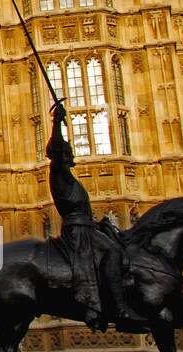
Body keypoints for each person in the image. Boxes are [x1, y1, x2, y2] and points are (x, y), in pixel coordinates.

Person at [47, 101, 133, 331]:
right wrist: (56, 123)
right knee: (113, 252)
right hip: (78, 232)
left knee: (118, 245)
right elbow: (55, 147)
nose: (70, 155)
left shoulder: (69, 179)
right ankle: (119, 308)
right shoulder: (59, 175)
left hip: (86, 227)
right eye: (67, 152)